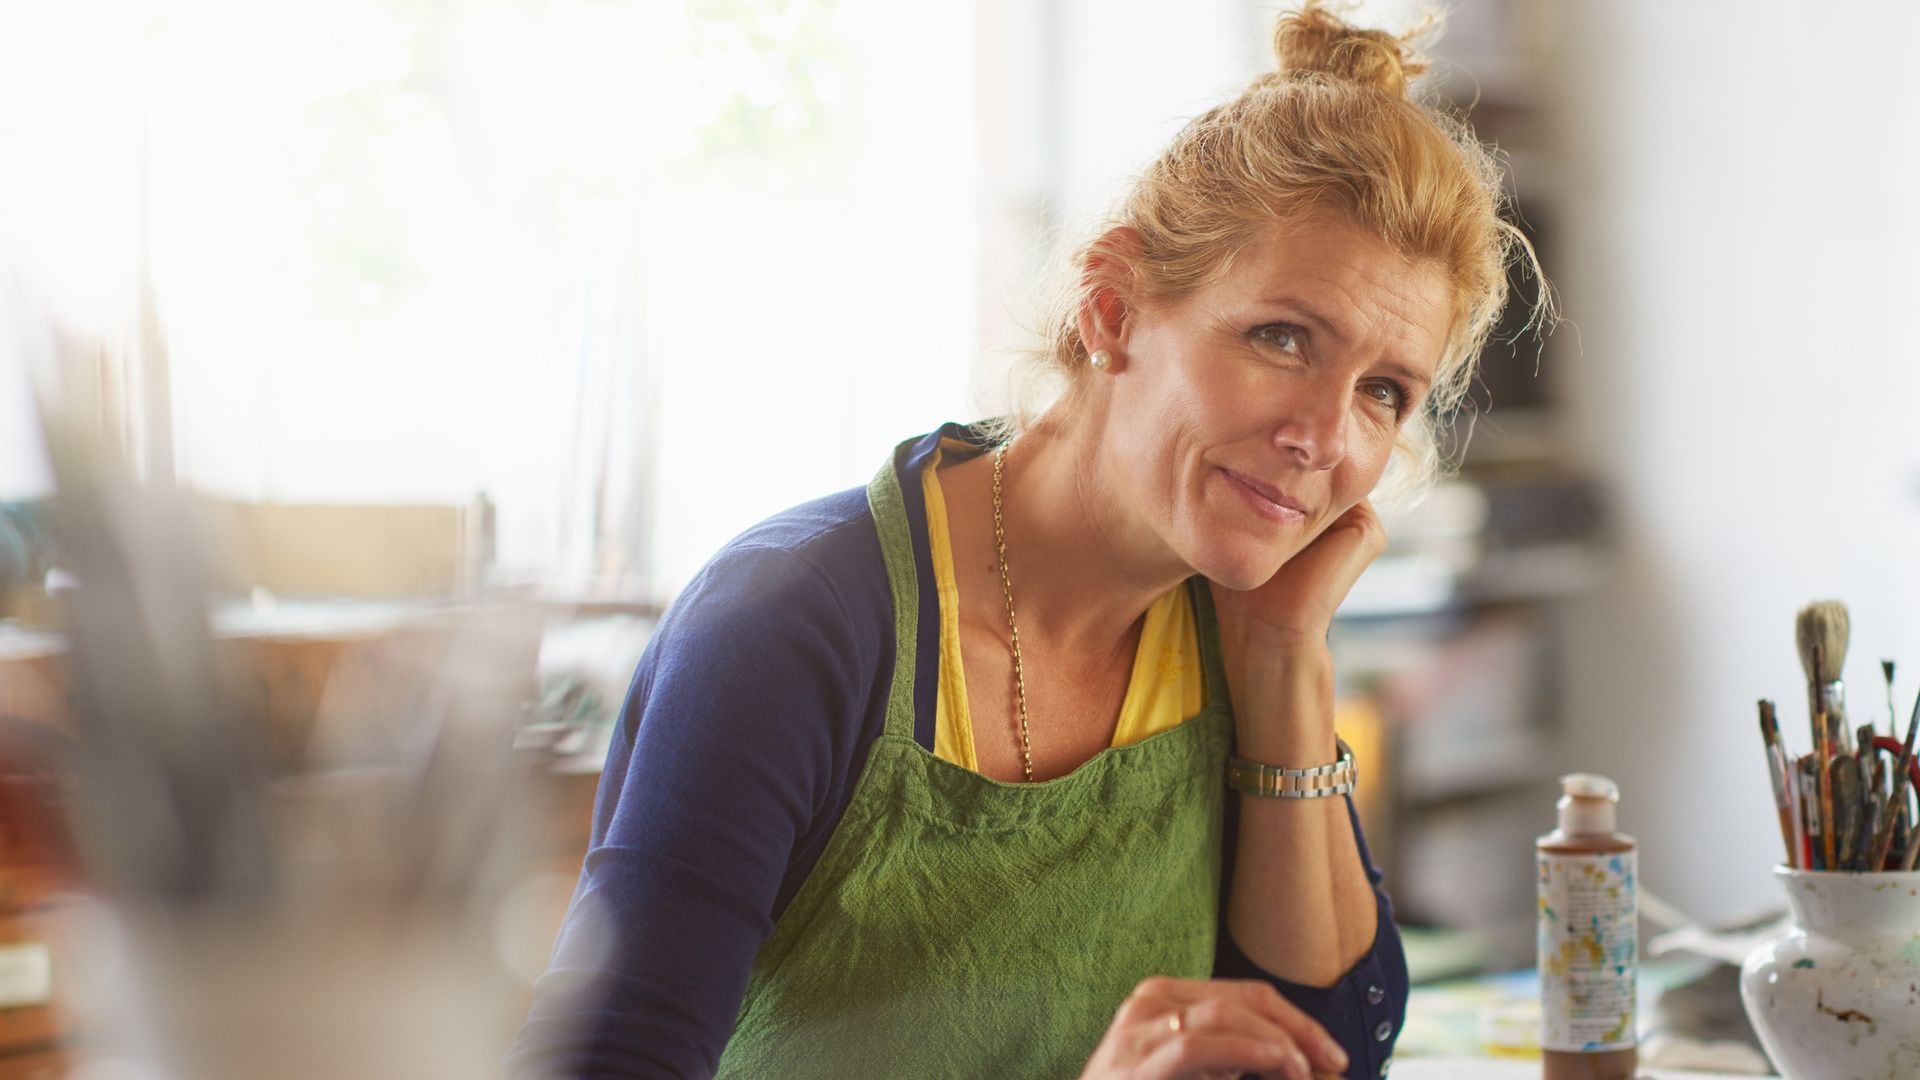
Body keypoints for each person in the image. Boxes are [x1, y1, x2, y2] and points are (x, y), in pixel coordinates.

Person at [508, 4, 1541, 1077]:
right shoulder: (791, 627)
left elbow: (1328, 1056)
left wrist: (1283, 657)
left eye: (1383, 392)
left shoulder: (1230, 622)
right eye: (1281, 338)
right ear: (1112, 305)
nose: (1322, 438)